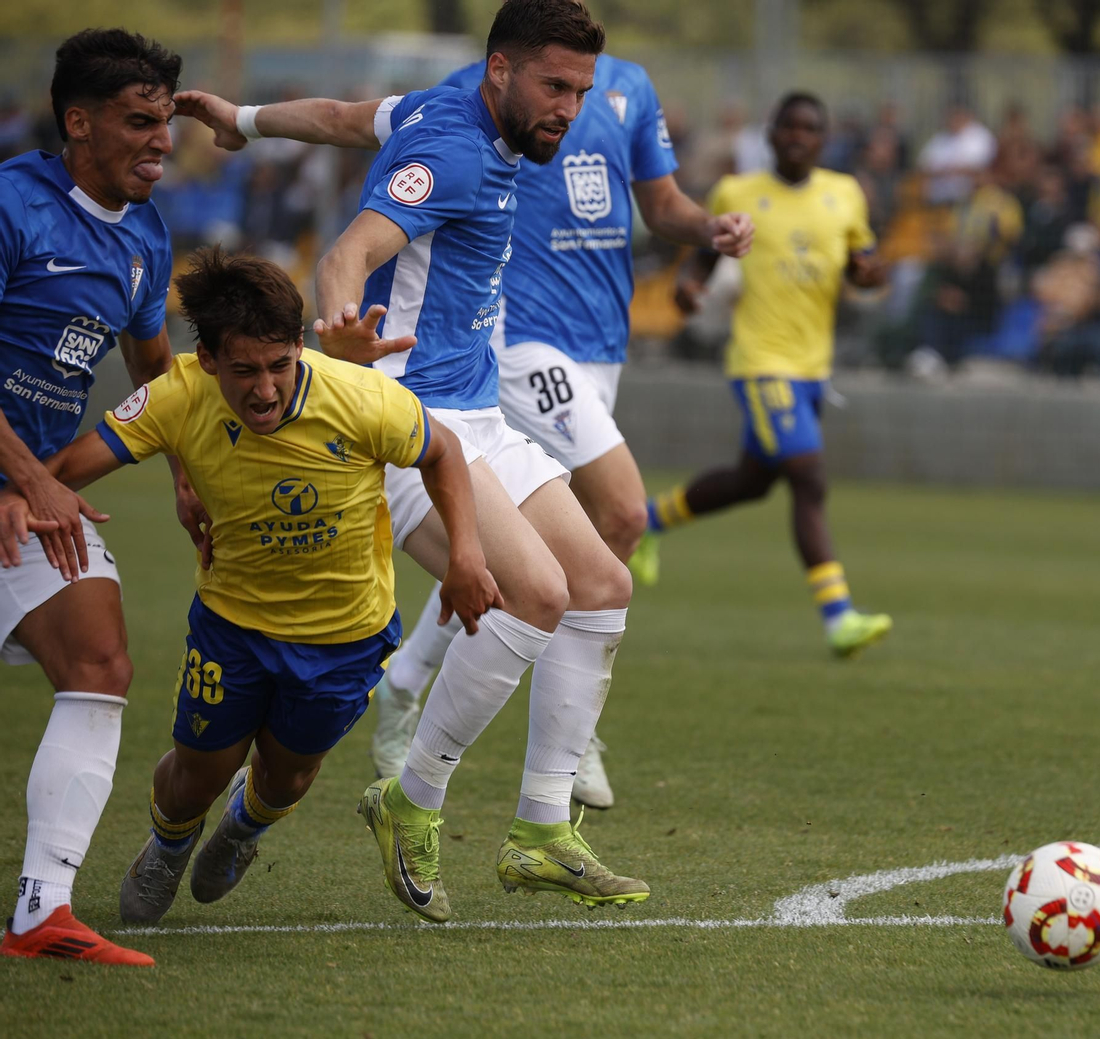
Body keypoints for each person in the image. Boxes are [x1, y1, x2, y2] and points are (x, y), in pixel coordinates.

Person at [175, 0, 646, 920]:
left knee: (602, 582)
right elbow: (350, 252)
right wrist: (342, 349)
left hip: (476, 412)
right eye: (555, 86)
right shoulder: (456, 152)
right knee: (538, 593)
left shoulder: (441, 106)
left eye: (583, 91)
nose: (570, 108)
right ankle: (409, 798)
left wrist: (242, 121)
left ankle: (544, 828)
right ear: (500, 71)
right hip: (410, 423)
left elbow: (350, 120)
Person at [9, 249, 492, 926]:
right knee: (194, 774)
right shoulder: (176, 396)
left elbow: (442, 453)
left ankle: (241, 831)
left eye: (278, 365)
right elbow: (72, 464)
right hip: (232, 624)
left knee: (287, 774)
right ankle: (170, 845)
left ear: (300, 345)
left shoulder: (361, 397)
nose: (264, 388)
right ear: (207, 359)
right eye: (243, 371)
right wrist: (25, 492)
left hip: (345, 635)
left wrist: (466, 553)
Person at [366, 44, 755, 807]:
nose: (566, 103)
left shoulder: (630, 87)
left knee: (526, 544)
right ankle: (564, 748)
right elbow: (370, 127)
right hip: (518, 339)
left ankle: (411, 681)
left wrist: (710, 228)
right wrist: (251, 120)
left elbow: (663, 205)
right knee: (619, 510)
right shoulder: (493, 89)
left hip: (600, 339)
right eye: (557, 86)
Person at [0, 28, 202, 968]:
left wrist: (183, 469)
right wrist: (31, 476)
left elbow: (152, 364)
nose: (160, 140)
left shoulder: (147, 237)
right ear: (78, 122)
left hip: (26, 500)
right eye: (138, 121)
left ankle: (44, 911)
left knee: (102, 659)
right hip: (21, 489)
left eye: (165, 121)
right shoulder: (11, 203)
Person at [635, 92, 892, 657]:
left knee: (753, 481)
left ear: (823, 141)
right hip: (760, 362)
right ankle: (838, 615)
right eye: (789, 128)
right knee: (808, 475)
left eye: (811, 130)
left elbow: (864, 267)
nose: (799, 137)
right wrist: (691, 284)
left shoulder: (844, 194)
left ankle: (649, 519)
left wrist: (872, 274)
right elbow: (709, 251)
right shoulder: (739, 192)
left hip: (813, 369)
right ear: (772, 135)